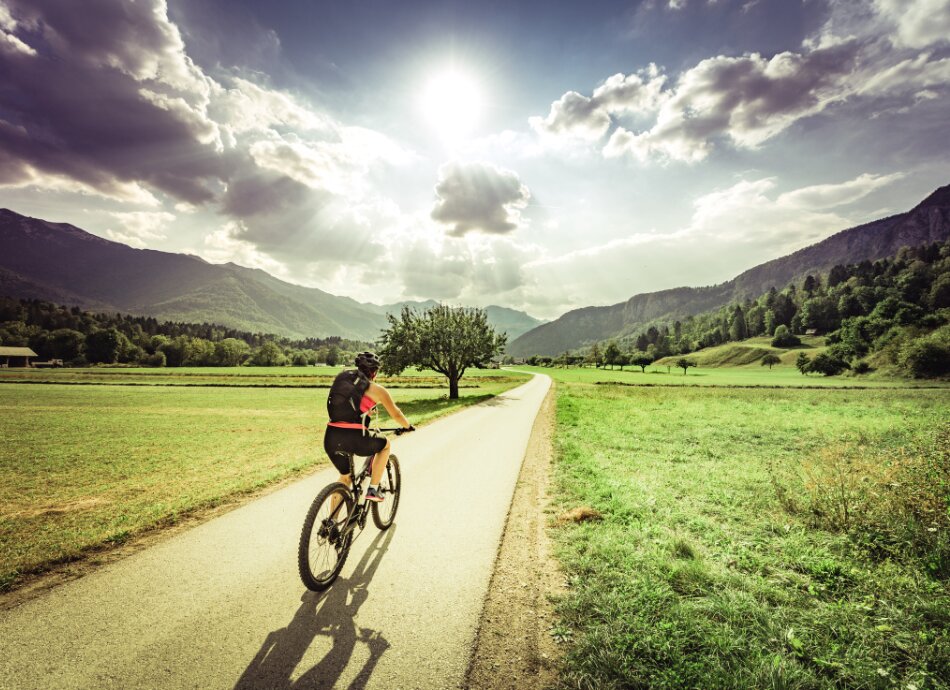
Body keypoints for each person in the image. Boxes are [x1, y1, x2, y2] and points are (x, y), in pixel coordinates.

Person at [324, 352, 413, 502]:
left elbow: (348, 405)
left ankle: (331, 524)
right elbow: (396, 414)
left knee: (345, 479)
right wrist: (408, 426)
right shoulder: (377, 389)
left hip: (331, 437)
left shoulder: (343, 380)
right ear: (375, 372)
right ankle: (373, 490)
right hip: (355, 438)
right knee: (385, 446)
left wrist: (366, 411)